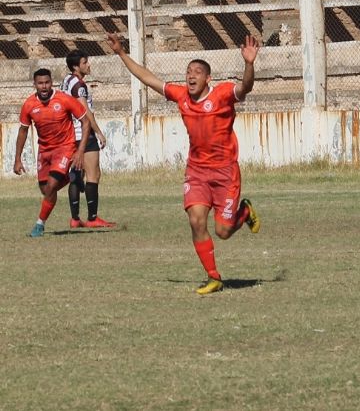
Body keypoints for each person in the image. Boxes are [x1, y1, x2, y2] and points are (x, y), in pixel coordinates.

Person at [107, 32, 261, 295]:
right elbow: (148, 78)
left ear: (207, 78)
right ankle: (213, 277)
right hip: (197, 172)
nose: (190, 76)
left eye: (197, 72)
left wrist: (249, 64)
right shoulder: (181, 96)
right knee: (196, 220)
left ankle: (243, 213)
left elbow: (245, 87)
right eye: (188, 71)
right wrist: (122, 53)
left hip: (225, 172)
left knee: (223, 231)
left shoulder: (222, 94)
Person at [13, 68, 90, 237]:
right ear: (34, 85)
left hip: (65, 147)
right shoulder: (29, 105)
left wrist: (80, 150)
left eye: (47, 82)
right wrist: (17, 158)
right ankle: (73, 177)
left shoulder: (64, 99)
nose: (44, 86)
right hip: (44, 150)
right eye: (40, 83)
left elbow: (86, 122)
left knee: (51, 187)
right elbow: (23, 131)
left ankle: (39, 225)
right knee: (45, 190)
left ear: (51, 82)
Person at [61, 49, 115, 229]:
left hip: (69, 134)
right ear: (76, 66)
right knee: (93, 174)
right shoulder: (79, 86)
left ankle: (75, 218)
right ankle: (93, 218)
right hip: (82, 133)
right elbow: (85, 112)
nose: (88, 64)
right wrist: (98, 132)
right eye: (85, 62)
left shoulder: (67, 81)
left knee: (76, 175)